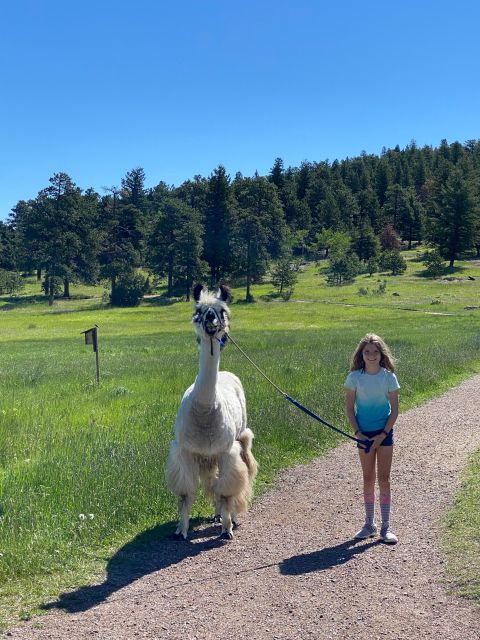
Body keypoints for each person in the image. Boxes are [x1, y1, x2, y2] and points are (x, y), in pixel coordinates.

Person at [344, 333, 400, 544]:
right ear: (361, 354)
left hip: (384, 433)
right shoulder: (354, 378)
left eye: (375, 352)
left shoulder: (389, 377)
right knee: (368, 479)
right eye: (367, 352)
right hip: (363, 435)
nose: (371, 355)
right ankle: (369, 524)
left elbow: (394, 411)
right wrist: (358, 433)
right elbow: (350, 410)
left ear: (381, 354)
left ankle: (386, 527)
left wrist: (382, 435)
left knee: (384, 479)